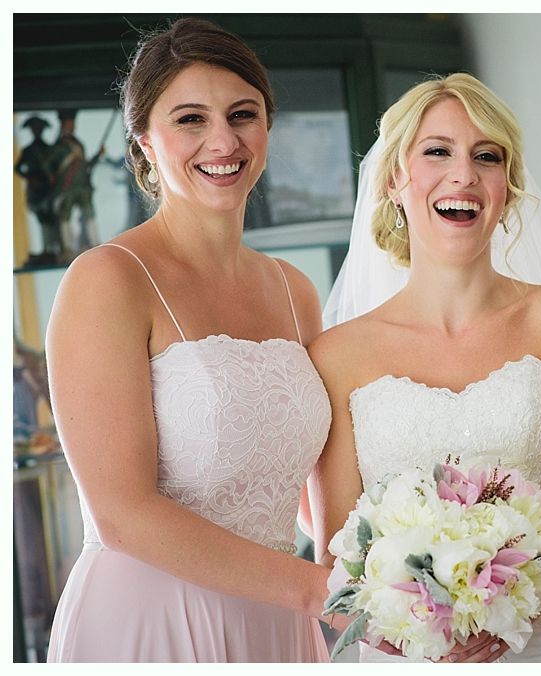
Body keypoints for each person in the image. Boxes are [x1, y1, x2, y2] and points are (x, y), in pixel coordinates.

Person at [307, 73, 541, 663]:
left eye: (487, 157)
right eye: (438, 151)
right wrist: (416, 627)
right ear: (393, 180)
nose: (464, 175)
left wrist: (520, 593)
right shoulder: (337, 356)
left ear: (506, 188)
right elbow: (336, 561)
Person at [46, 18, 337, 662]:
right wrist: (323, 592)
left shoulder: (295, 289)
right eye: (189, 119)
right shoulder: (107, 280)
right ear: (145, 140)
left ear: (266, 128)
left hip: (281, 624)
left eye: (243, 114)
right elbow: (123, 512)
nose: (223, 140)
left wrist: (417, 561)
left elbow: (310, 497)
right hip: (155, 619)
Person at [51, 108, 104, 255]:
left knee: (89, 214)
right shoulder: (57, 147)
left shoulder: (78, 145)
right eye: (69, 123)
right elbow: (51, 168)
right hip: (67, 188)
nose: (72, 126)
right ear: (63, 125)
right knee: (65, 218)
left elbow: (85, 166)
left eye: (72, 123)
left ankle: (95, 243)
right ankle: (67, 248)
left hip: (82, 187)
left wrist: (97, 156)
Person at [15, 116, 63, 265]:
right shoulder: (28, 151)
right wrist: (30, 177)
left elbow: (57, 166)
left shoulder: (49, 149)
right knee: (42, 218)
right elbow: (18, 168)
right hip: (36, 189)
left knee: (52, 218)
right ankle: (46, 250)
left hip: (48, 188)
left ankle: (54, 248)